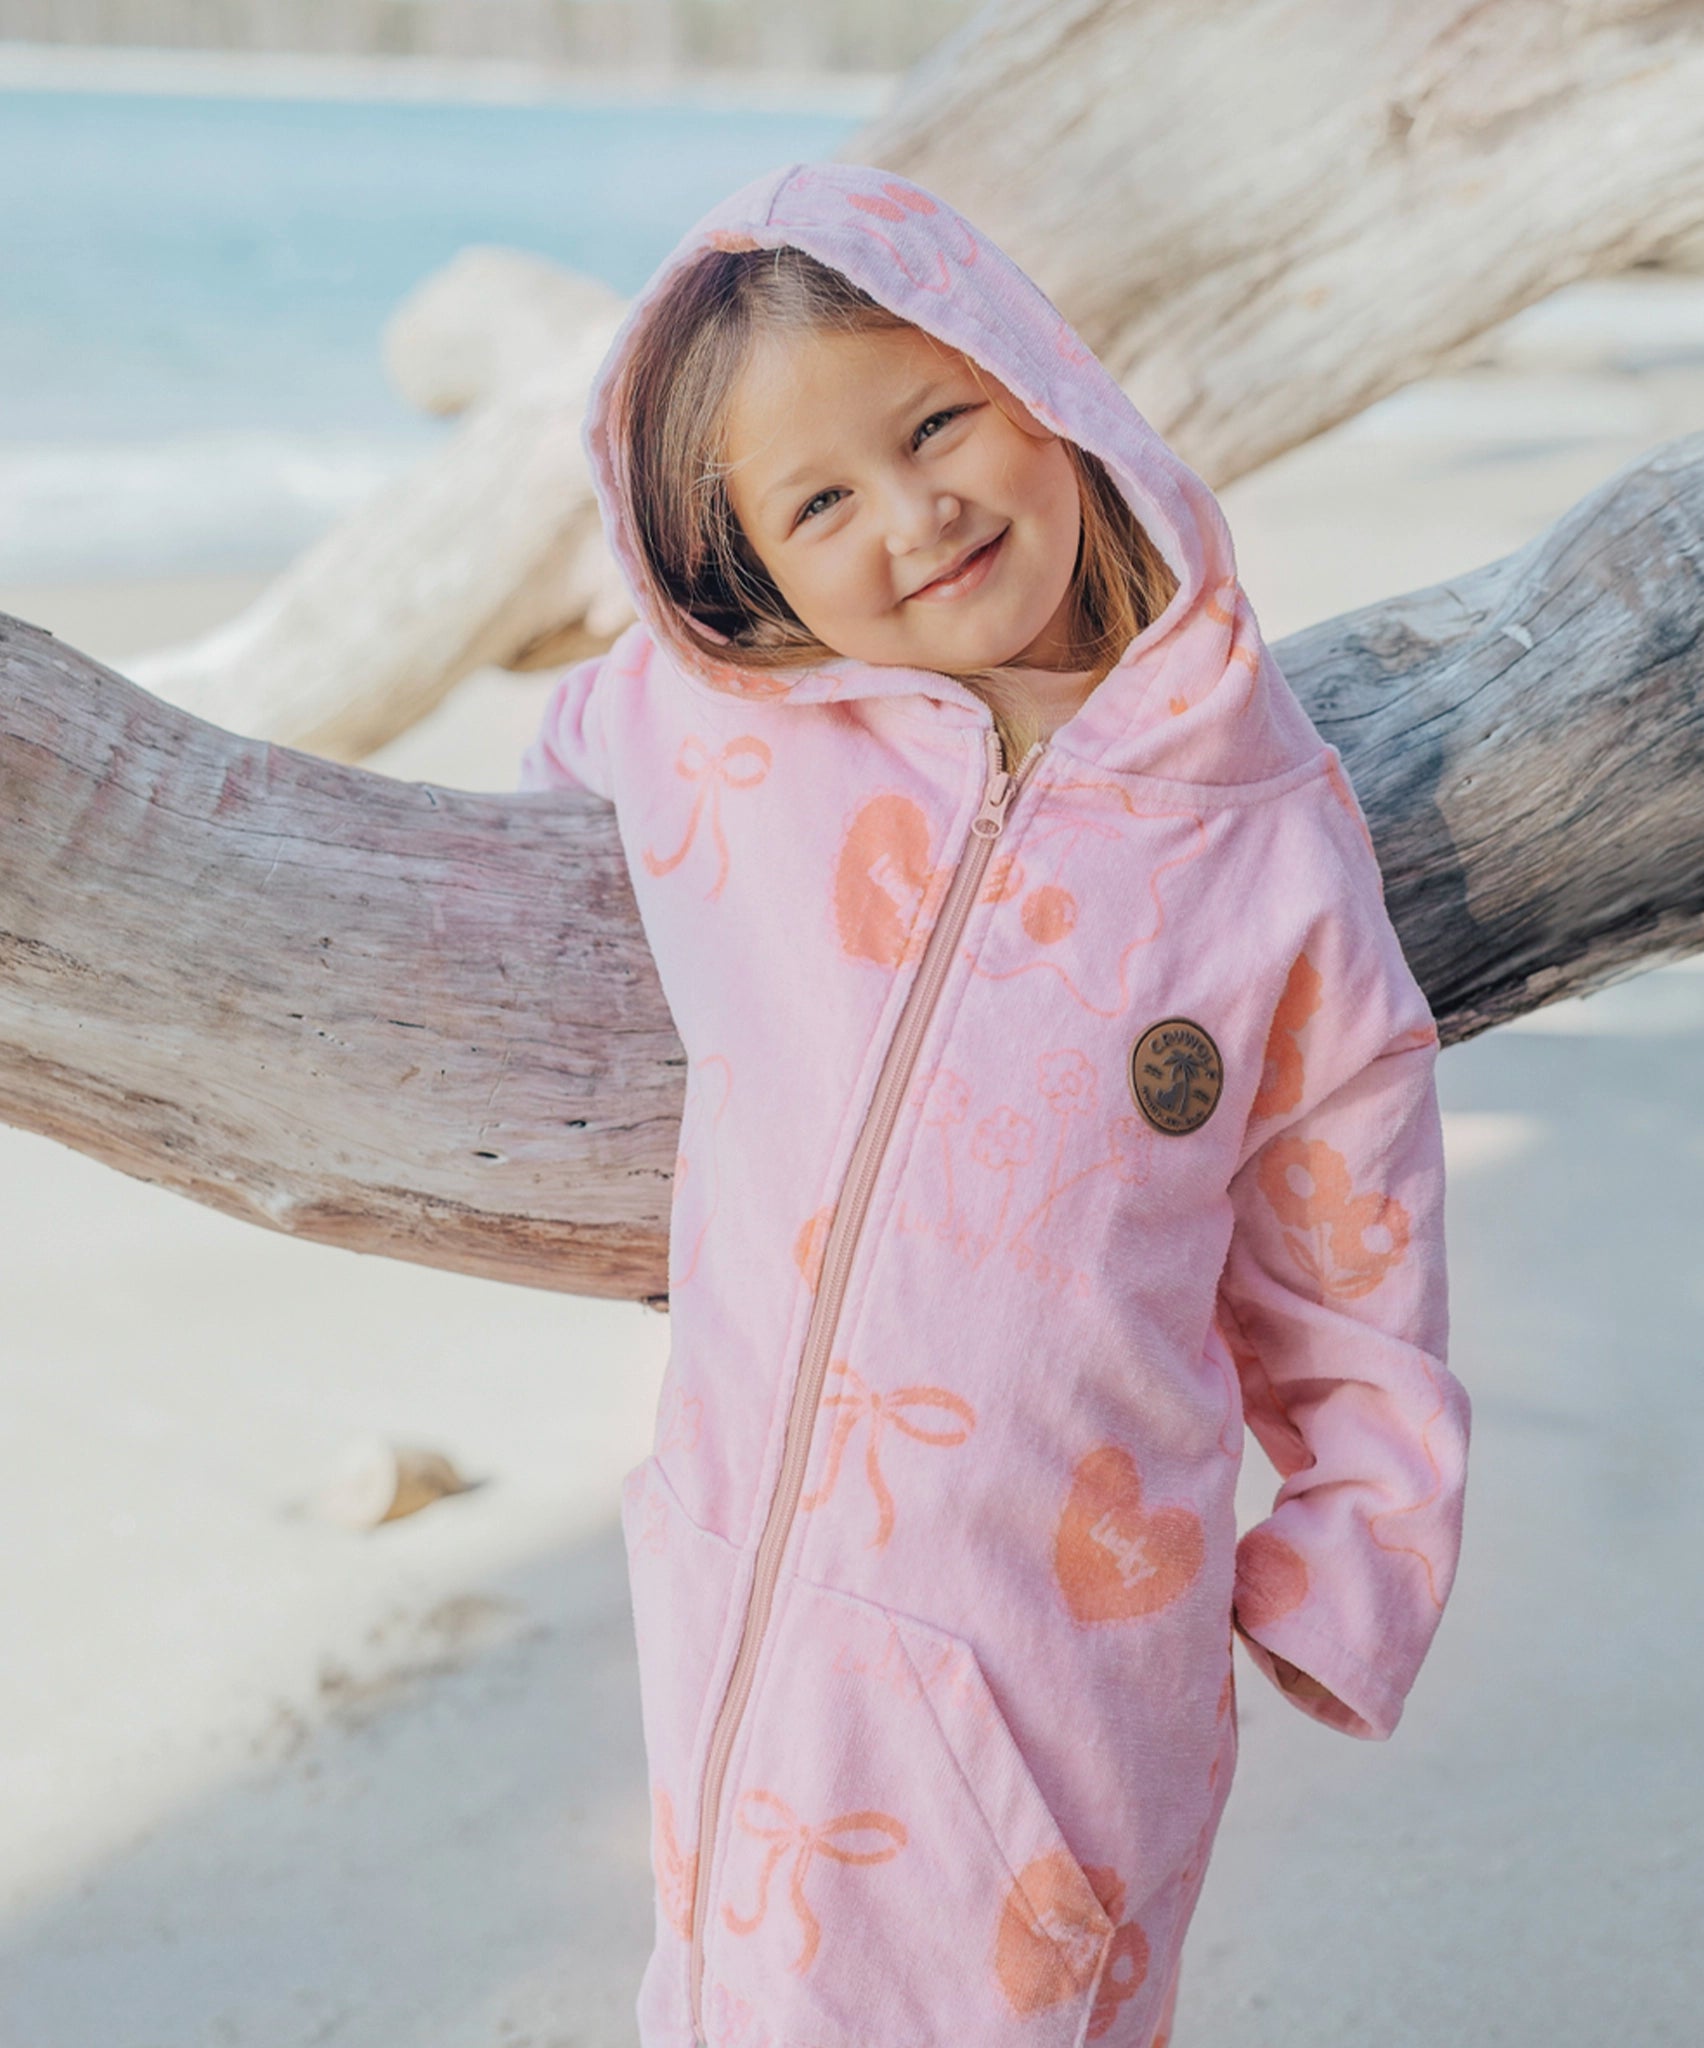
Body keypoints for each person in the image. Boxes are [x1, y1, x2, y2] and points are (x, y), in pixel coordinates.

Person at [518, 160, 1469, 2048]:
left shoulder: (1251, 833)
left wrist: (1360, 1543)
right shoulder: (719, 730)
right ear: (746, 579)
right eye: (820, 502)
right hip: (757, 1569)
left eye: (935, 419)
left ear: (1042, 388)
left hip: (1067, 1632)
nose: (914, 511)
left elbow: (1353, 1205)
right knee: (730, 1988)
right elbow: (561, 747)